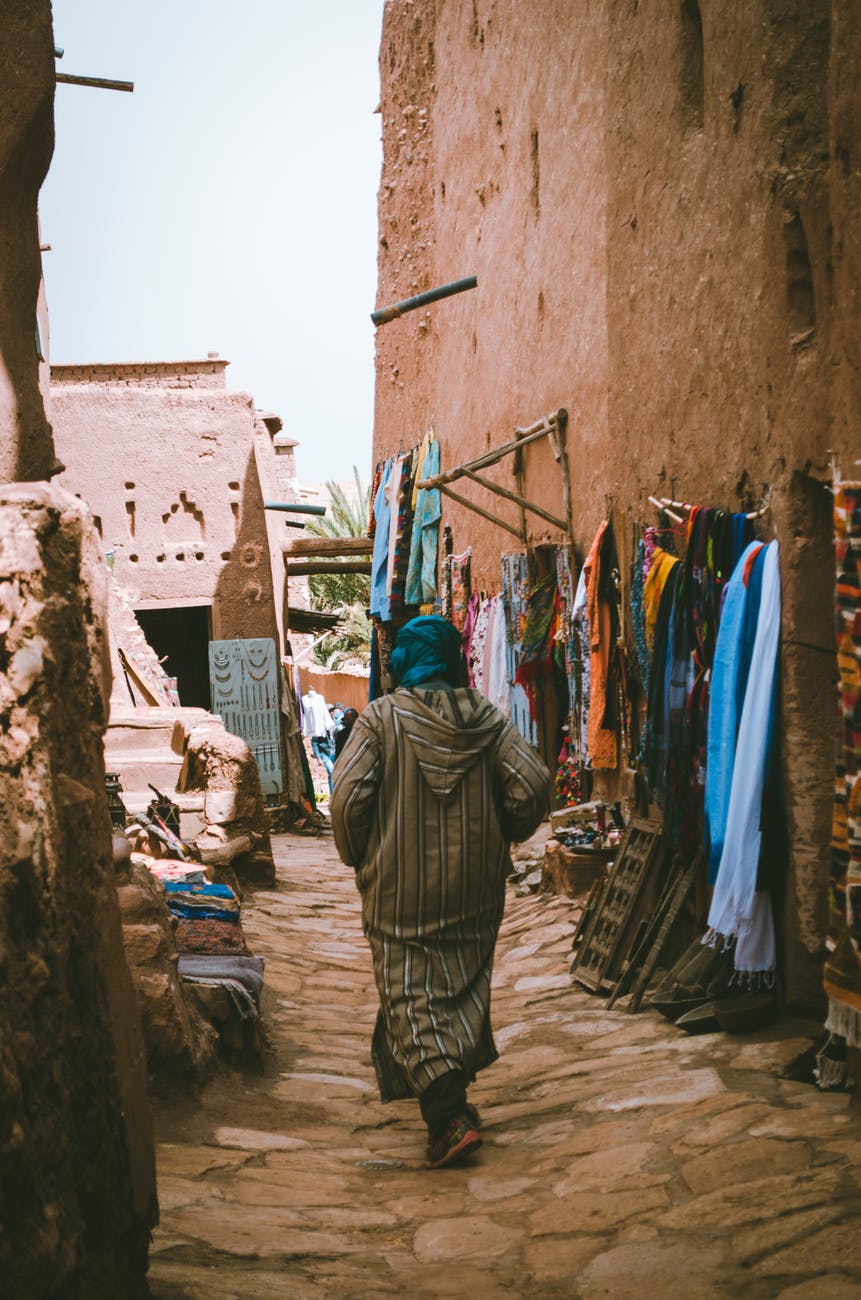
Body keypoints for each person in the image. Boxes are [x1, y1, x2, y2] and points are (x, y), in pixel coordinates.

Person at [330, 615, 549, 1168]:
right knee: (461, 985)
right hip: (474, 889)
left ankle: (447, 1116)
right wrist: (503, 830)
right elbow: (532, 785)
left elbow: (347, 801)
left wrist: (359, 854)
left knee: (409, 993)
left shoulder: (381, 720)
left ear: (405, 661)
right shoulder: (488, 719)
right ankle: (454, 1094)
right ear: (453, 660)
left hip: (398, 892)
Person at [302, 685, 334, 793]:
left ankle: (333, 794)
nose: (331, 713)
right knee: (331, 770)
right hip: (323, 751)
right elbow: (314, 742)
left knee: (332, 774)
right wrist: (318, 757)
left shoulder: (332, 724)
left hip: (332, 751)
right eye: (330, 711)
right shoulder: (319, 724)